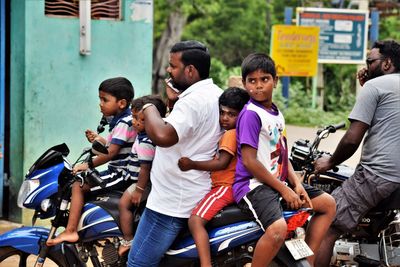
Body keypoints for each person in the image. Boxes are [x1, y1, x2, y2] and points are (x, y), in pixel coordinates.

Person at [233, 53, 336, 267]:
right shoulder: (251, 114)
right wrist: (284, 189)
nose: (259, 86)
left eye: (264, 79)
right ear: (244, 84)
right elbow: (250, 162)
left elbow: (282, 153)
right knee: (278, 230)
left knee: (328, 204)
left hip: (277, 183)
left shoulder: (276, 113)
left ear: (275, 81)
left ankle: (306, 261)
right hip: (254, 186)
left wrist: (296, 183)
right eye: (252, 81)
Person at [127, 40, 223, 267]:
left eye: (173, 66)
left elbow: (163, 136)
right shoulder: (214, 93)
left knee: (138, 263)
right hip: (191, 191)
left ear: (190, 70)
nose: (168, 71)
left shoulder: (192, 101)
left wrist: (149, 108)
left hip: (170, 202)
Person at [314, 40, 400, 266]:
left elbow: (352, 138)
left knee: (325, 223)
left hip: (378, 174)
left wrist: (329, 161)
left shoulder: (376, 87)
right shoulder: (382, 86)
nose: (366, 67)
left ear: (387, 63)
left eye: (370, 61)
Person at [47, 77, 136, 246]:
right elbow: (114, 146)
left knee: (78, 186)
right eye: (99, 99)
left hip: (121, 174)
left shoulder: (124, 123)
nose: (100, 104)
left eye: (105, 100)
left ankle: (71, 230)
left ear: (122, 103)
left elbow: (110, 153)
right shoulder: (122, 120)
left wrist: (87, 165)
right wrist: (99, 139)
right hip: (116, 170)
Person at [178, 87, 249, 267]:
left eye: (231, 114)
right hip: (227, 186)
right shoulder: (235, 131)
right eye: (222, 112)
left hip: (225, 187)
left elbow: (221, 163)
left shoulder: (231, 134)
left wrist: (192, 164)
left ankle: (205, 264)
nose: (224, 118)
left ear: (242, 114)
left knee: (195, 220)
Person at [118, 95, 167, 256]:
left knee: (124, 204)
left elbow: (145, 168)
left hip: (143, 183)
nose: (134, 122)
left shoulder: (146, 140)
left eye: (139, 119)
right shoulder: (143, 136)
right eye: (133, 117)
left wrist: (139, 190)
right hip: (139, 181)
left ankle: (128, 239)